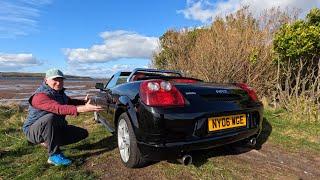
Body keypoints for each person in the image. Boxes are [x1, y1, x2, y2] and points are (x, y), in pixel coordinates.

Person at [22, 68, 103, 166]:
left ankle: (48, 142)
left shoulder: (59, 93)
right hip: (33, 131)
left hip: (54, 128)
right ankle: (54, 155)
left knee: (83, 133)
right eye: (55, 80)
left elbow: (69, 101)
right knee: (50, 118)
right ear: (46, 80)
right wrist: (82, 109)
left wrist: (83, 102)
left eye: (61, 80)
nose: (58, 82)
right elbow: (58, 108)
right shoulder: (39, 96)